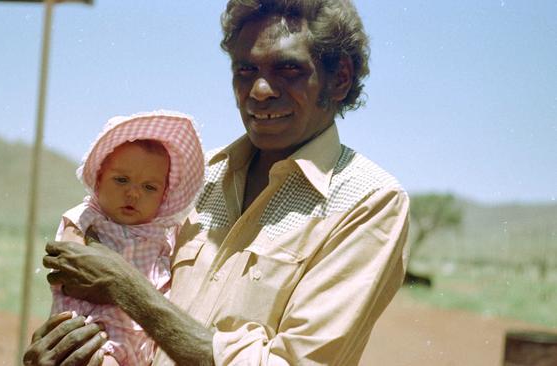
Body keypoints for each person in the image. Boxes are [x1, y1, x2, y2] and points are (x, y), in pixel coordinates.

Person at [24, 0, 410, 365]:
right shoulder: (193, 180)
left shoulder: (368, 201)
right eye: (246, 70)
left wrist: (127, 288)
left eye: (288, 69)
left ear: (339, 79)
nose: (259, 91)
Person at [46, 111, 204, 366]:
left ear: (164, 195)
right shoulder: (89, 216)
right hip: (93, 329)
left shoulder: (164, 233)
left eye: (149, 187)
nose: (133, 193)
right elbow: (70, 254)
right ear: (98, 179)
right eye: (121, 180)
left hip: (146, 337)